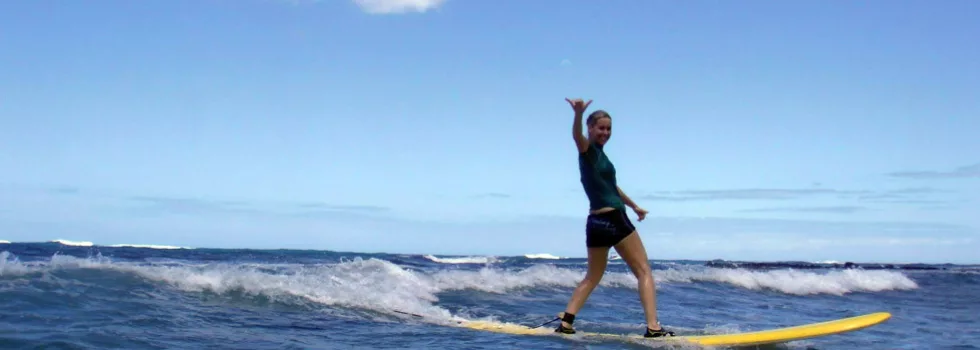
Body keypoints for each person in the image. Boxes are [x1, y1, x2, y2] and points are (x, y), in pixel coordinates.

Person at [555, 98, 675, 338]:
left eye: (609, 129)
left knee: (592, 276)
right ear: (590, 128)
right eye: (601, 128)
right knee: (643, 271)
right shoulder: (587, 150)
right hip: (613, 220)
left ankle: (566, 322)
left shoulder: (600, 157)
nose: (605, 132)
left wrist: (635, 206)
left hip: (595, 223)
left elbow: (612, 187)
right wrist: (578, 113)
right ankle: (653, 327)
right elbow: (576, 138)